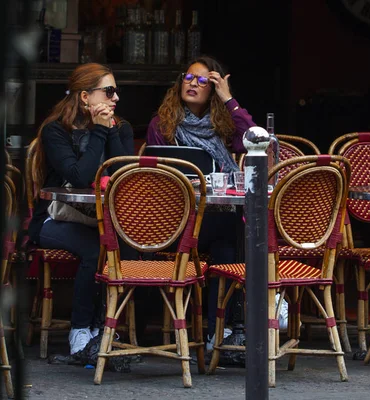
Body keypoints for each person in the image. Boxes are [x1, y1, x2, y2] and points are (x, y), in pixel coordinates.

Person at [146, 55, 256, 348]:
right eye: (189, 77)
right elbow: (157, 177)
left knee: (226, 238)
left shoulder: (223, 125)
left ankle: (215, 331)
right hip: (176, 219)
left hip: (212, 218)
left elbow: (254, 140)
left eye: (203, 80)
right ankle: (228, 326)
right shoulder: (162, 124)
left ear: (214, 89)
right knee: (230, 230)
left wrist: (229, 98)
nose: (193, 83)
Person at [28, 63, 136, 355]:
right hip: (54, 218)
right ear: (85, 97)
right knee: (94, 249)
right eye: (109, 91)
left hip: (102, 219)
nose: (115, 99)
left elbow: (126, 174)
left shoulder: (121, 128)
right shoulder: (55, 131)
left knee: (124, 248)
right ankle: (80, 332)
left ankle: (105, 328)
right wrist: (99, 132)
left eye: (116, 92)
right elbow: (78, 177)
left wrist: (109, 132)